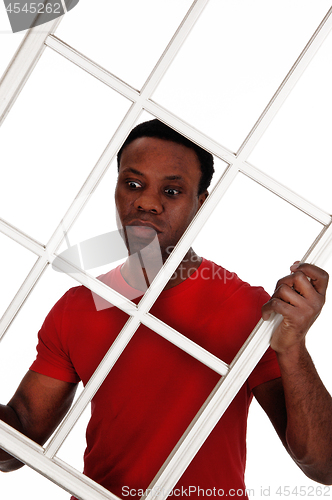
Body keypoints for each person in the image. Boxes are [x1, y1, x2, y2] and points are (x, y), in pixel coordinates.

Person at [0, 119, 331, 500]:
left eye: (171, 191)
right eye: (133, 184)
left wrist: (293, 346)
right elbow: (18, 437)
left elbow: (323, 465)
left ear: (200, 204)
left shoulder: (247, 308)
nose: (146, 202)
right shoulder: (77, 307)